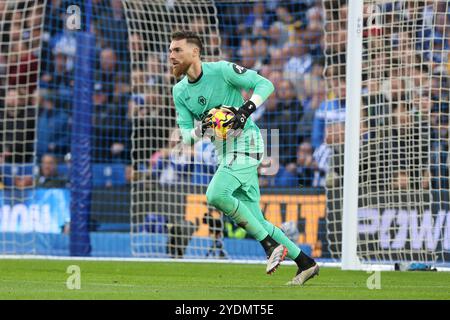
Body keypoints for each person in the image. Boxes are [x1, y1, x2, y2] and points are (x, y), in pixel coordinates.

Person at [170, 30, 318, 285]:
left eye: (177, 50)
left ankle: (269, 246)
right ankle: (306, 263)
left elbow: (266, 84)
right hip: (224, 153)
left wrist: (245, 111)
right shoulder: (179, 91)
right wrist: (204, 127)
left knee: (215, 194)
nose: (171, 55)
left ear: (195, 52)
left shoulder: (222, 70)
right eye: (170, 50)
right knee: (256, 219)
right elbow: (185, 136)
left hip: (248, 143)